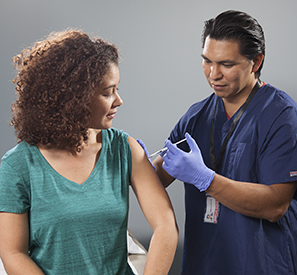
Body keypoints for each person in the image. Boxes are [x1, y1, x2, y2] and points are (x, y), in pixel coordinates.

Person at [0, 29, 178, 275]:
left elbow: (165, 225)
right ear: (73, 98)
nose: (119, 101)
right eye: (108, 92)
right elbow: (13, 253)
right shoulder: (17, 166)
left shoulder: (124, 148)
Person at [142, 10, 297, 274]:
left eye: (227, 64)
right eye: (207, 61)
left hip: (261, 264)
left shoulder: (280, 115)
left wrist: (207, 180)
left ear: (256, 61)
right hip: (204, 263)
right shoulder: (196, 116)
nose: (213, 74)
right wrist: (133, 163)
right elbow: (155, 178)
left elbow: (276, 205)